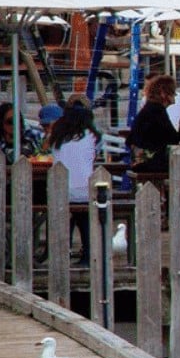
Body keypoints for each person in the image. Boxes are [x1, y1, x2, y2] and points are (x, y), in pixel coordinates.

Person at [47, 103, 100, 264]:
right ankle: (87, 254)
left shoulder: (57, 136)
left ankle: (62, 251)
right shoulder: (92, 136)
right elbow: (93, 156)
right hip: (85, 191)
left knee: (66, 214)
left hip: (61, 191)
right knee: (84, 217)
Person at [128, 74, 180, 173]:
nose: (175, 95)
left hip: (140, 161)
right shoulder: (157, 111)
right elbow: (173, 139)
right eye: (173, 92)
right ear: (163, 93)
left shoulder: (149, 109)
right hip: (150, 163)